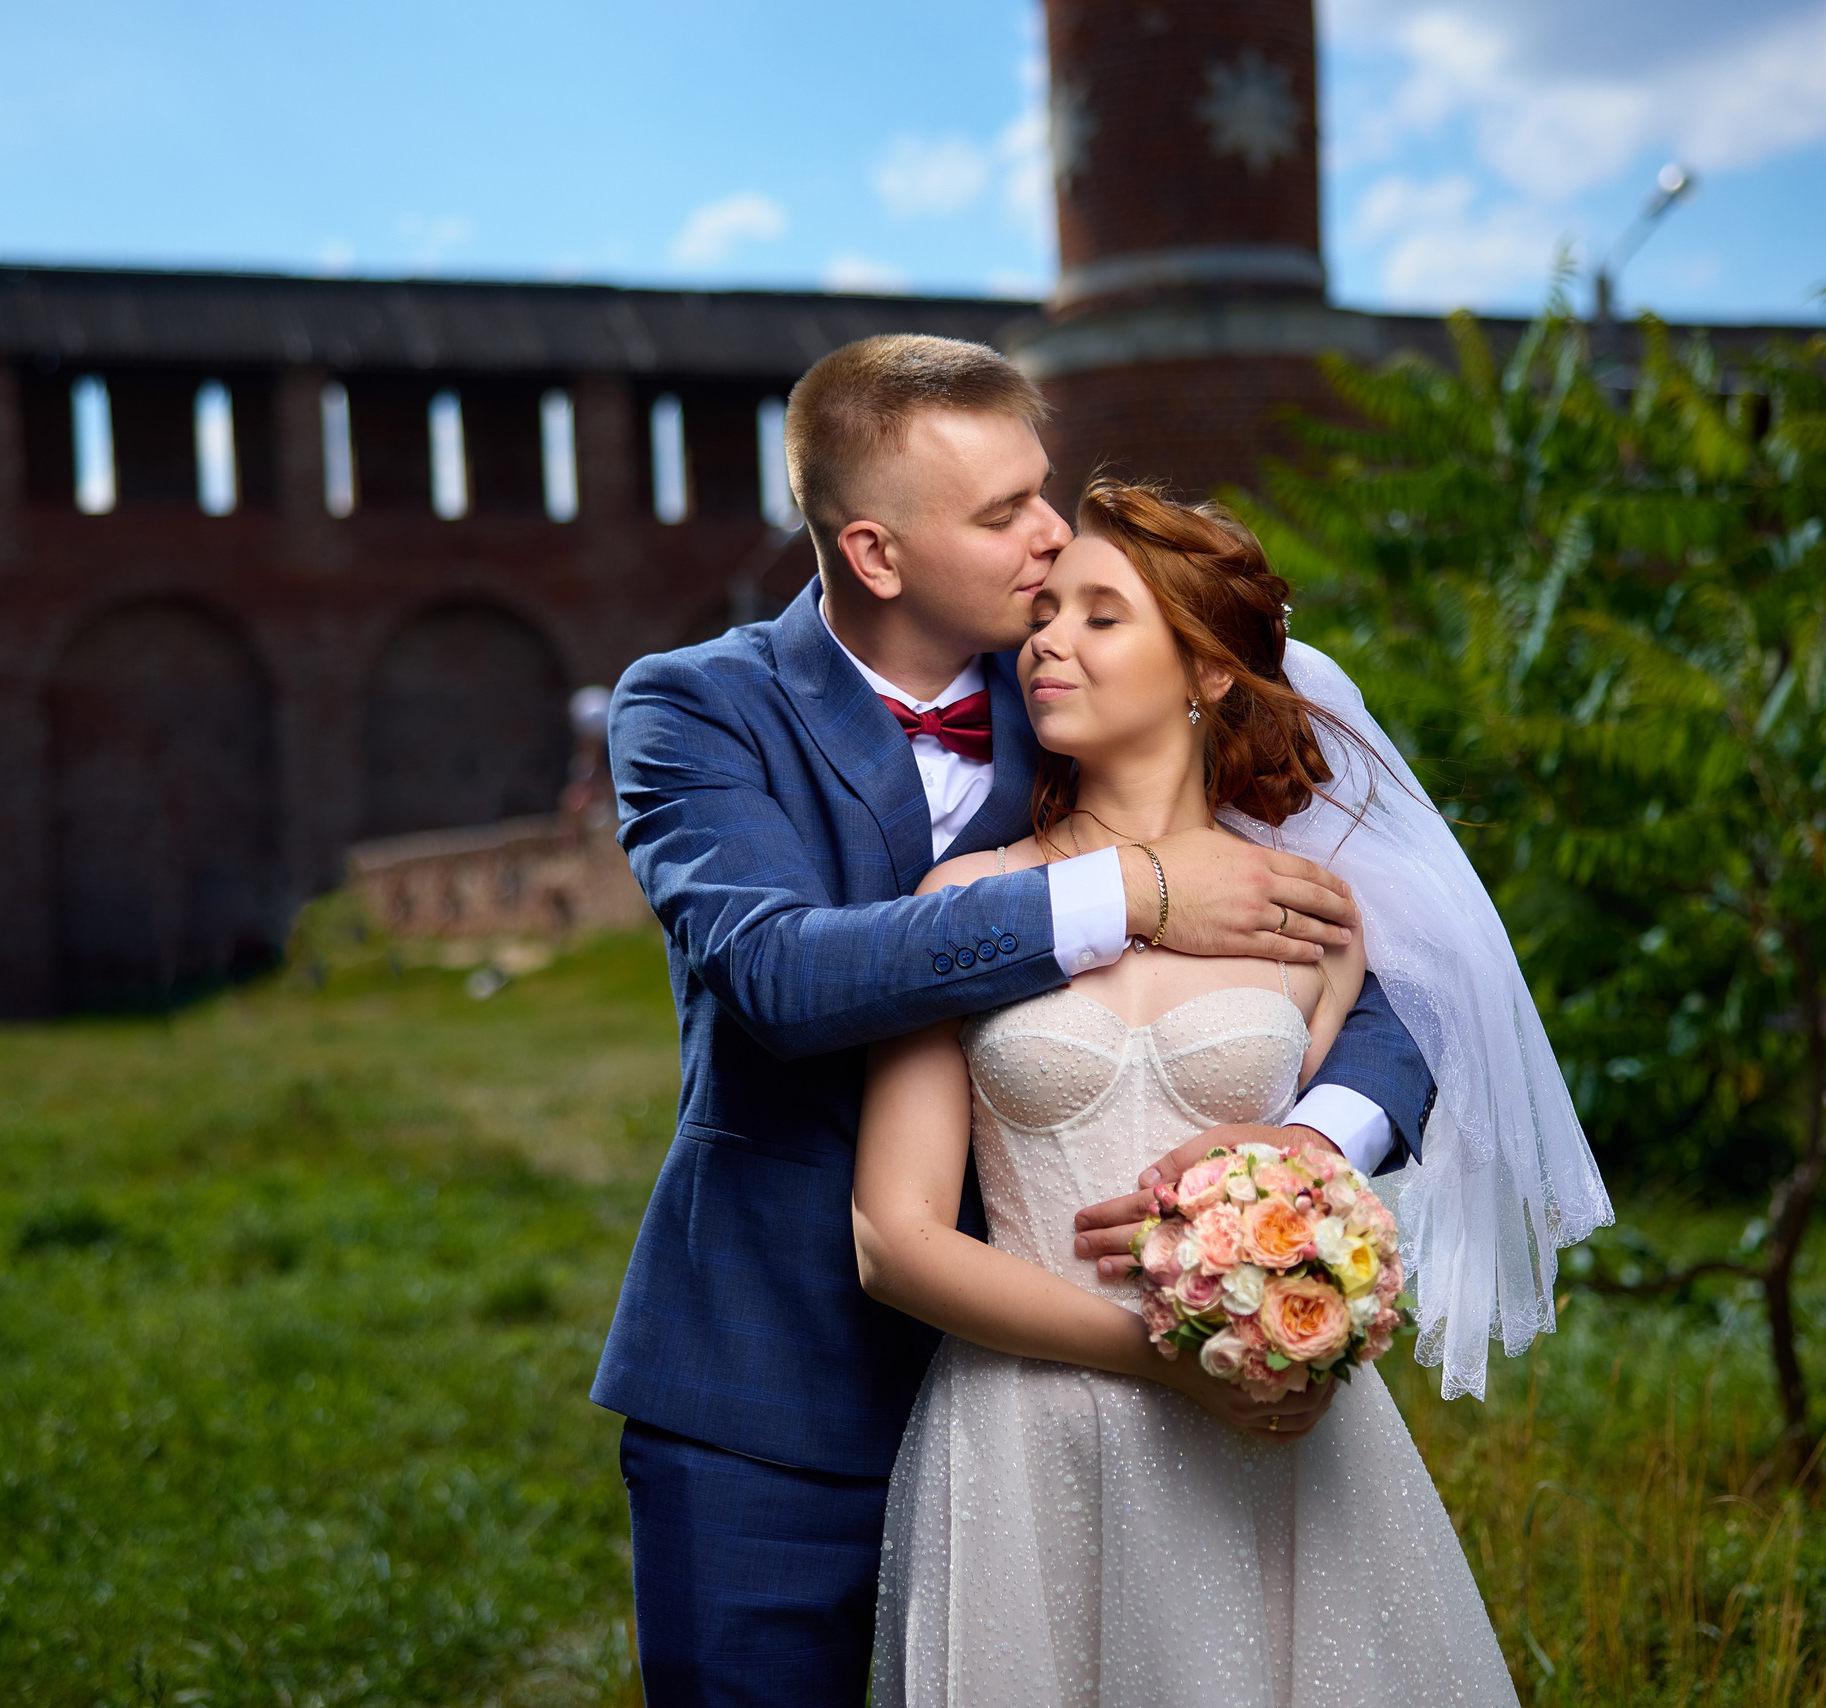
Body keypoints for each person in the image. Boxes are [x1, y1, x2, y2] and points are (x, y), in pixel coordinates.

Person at [593, 336, 1442, 1707]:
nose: (1053, 539)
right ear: (876, 554)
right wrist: (1137, 891)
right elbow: (779, 976)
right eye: (1003, 515)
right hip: (768, 1393)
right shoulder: (696, 708)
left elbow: (1394, 993)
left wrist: (1285, 1158)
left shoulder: (1082, 685)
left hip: (1076, 1400)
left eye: (1042, 491)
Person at [855, 481, 1609, 1705]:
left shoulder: (1310, 918)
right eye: (1043, 611)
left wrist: (1304, 1247)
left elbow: (1354, 1177)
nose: (1046, 638)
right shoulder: (965, 904)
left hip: (1265, 1438)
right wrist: (1160, 1357)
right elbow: (894, 1239)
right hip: (1021, 1433)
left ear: (1205, 671)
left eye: (1102, 615)